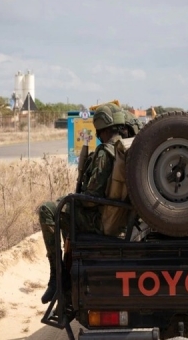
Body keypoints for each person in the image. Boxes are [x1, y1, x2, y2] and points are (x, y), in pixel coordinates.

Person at [37, 103, 125, 304]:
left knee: (48, 210)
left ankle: (56, 278)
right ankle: (66, 276)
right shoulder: (122, 147)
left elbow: (91, 199)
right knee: (64, 209)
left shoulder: (105, 152)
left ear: (101, 126)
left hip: (98, 220)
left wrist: (71, 198)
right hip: (114, 217)